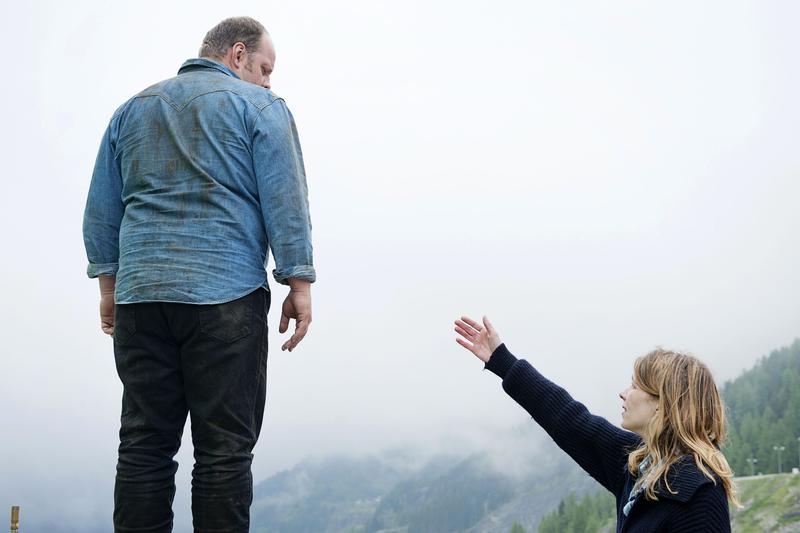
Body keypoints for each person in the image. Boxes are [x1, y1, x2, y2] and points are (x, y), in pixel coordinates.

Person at [82, 16, 315, 532]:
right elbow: (286, 201)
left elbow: (102, 208)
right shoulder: (261, 108)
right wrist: (298, 283)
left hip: (141, 299)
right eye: (265, 68)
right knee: (225, 453)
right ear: (237, 55)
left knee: (144, 446)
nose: (269, 81)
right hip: (225, 299)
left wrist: (109, 289)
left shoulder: (132, 109)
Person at [454, 316, 737, 532]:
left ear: (663, 403)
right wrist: (502, 361)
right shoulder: (639, 464)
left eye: (635, 386)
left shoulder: (700, 495)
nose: (624, 393)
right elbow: (569, 419)